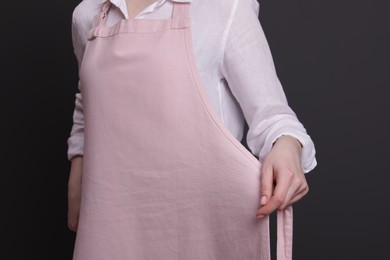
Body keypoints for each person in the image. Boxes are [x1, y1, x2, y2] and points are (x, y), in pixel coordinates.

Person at [66, 0, 317, 259]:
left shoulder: (224, 7)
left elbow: (273, 117)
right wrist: (78, 166)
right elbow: (89, 96)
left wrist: (288, 147)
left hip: (203, 227)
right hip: (112, 221)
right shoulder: (87, 15)